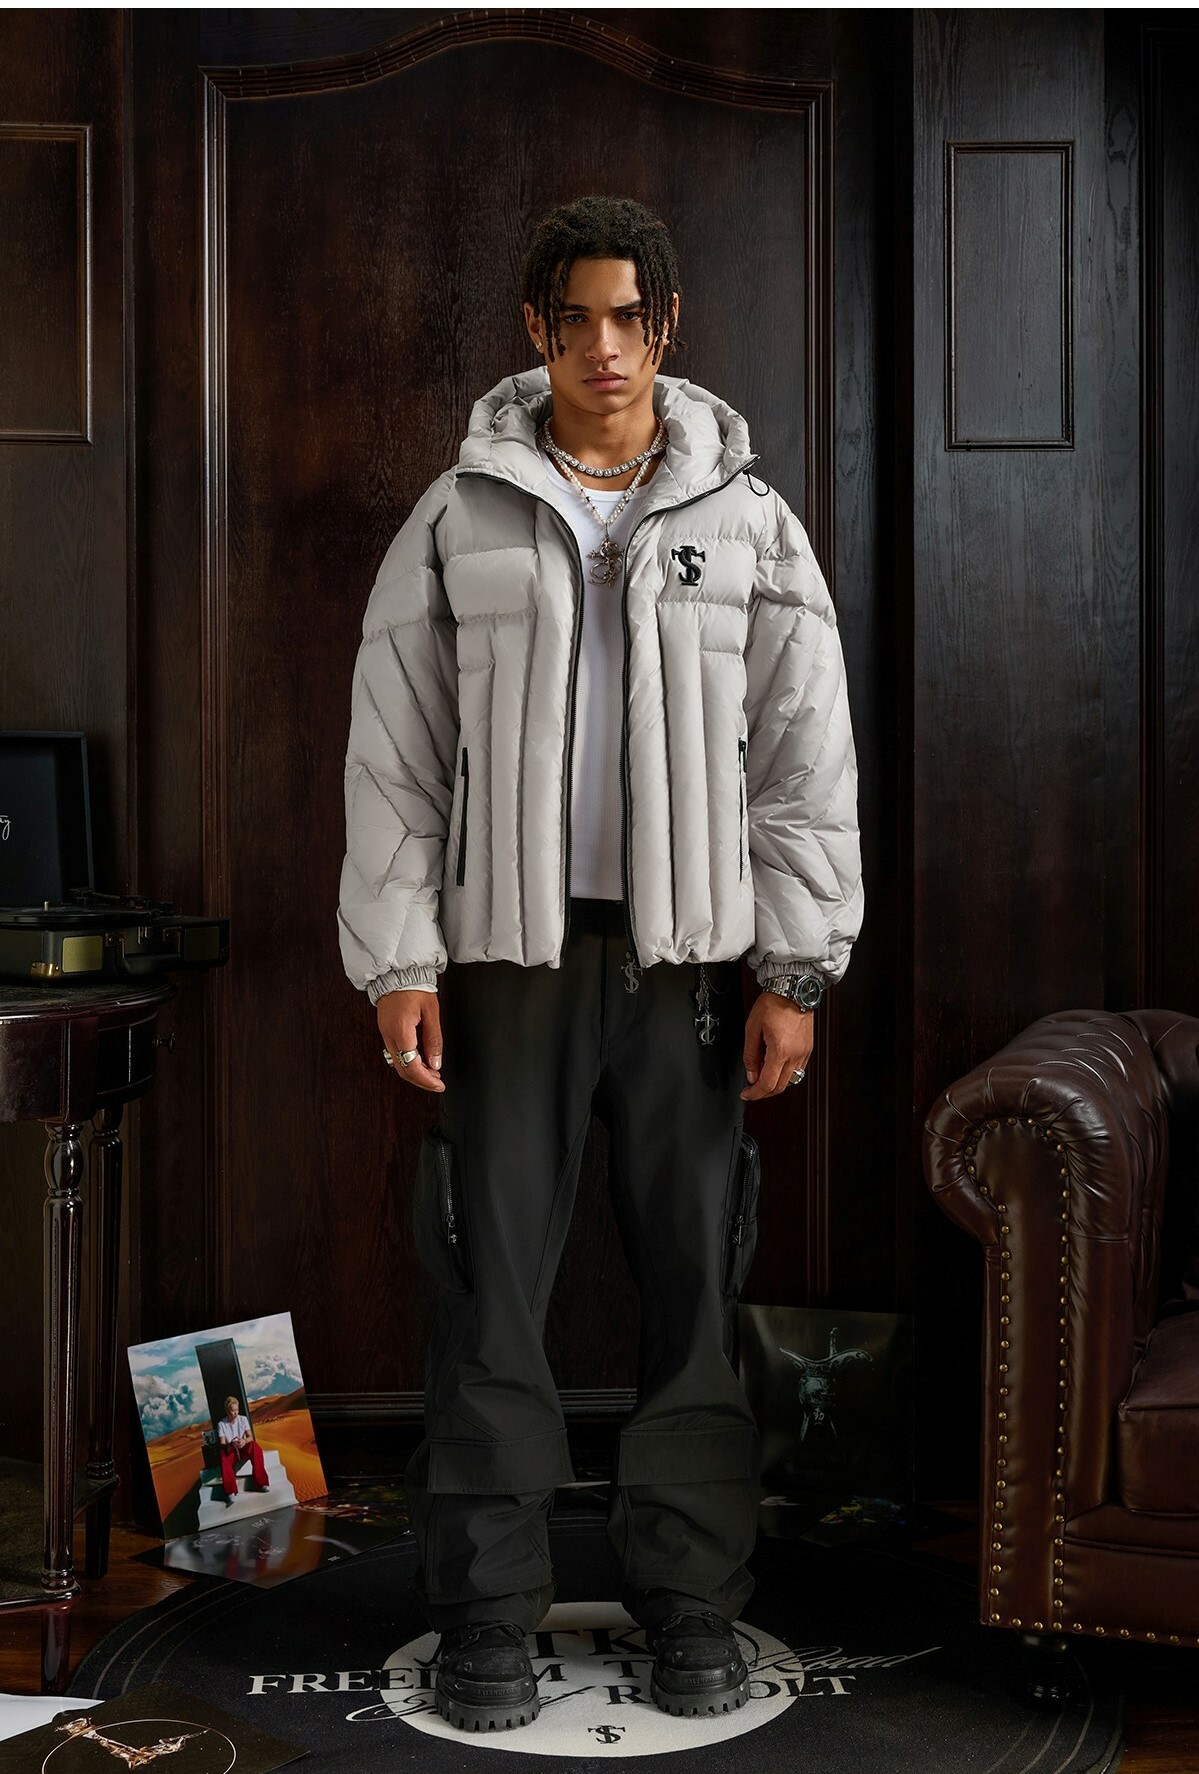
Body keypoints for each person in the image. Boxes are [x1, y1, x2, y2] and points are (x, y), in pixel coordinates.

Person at [337, 195, 863, 1733]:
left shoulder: (746, 521)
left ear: (667, 325)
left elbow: (803, 757)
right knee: (488, 1283)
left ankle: (691, 1600)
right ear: (536, 330)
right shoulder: (460, 513)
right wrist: (397, 960)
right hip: (507, 958)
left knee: (693, 1279)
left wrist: (795, 970)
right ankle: (486, 1615)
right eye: (574, 320)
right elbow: (393, 753)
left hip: (687, 966)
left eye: (629, 318)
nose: (604, 348)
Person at [216, 1395, 269, 1503]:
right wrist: (231, 1444)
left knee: (254, 1446)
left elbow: (250, 1437)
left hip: (243, 1448)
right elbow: (222, 1444)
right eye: (233, 1410)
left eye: (237, 1410)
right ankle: (230, 1492)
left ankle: (261, 1483)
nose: (235, 1413)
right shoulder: (221, 1424)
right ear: (227, 1411)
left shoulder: (243, 1419)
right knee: (223, 1454)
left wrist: (244, 1441)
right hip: (231, 1451)